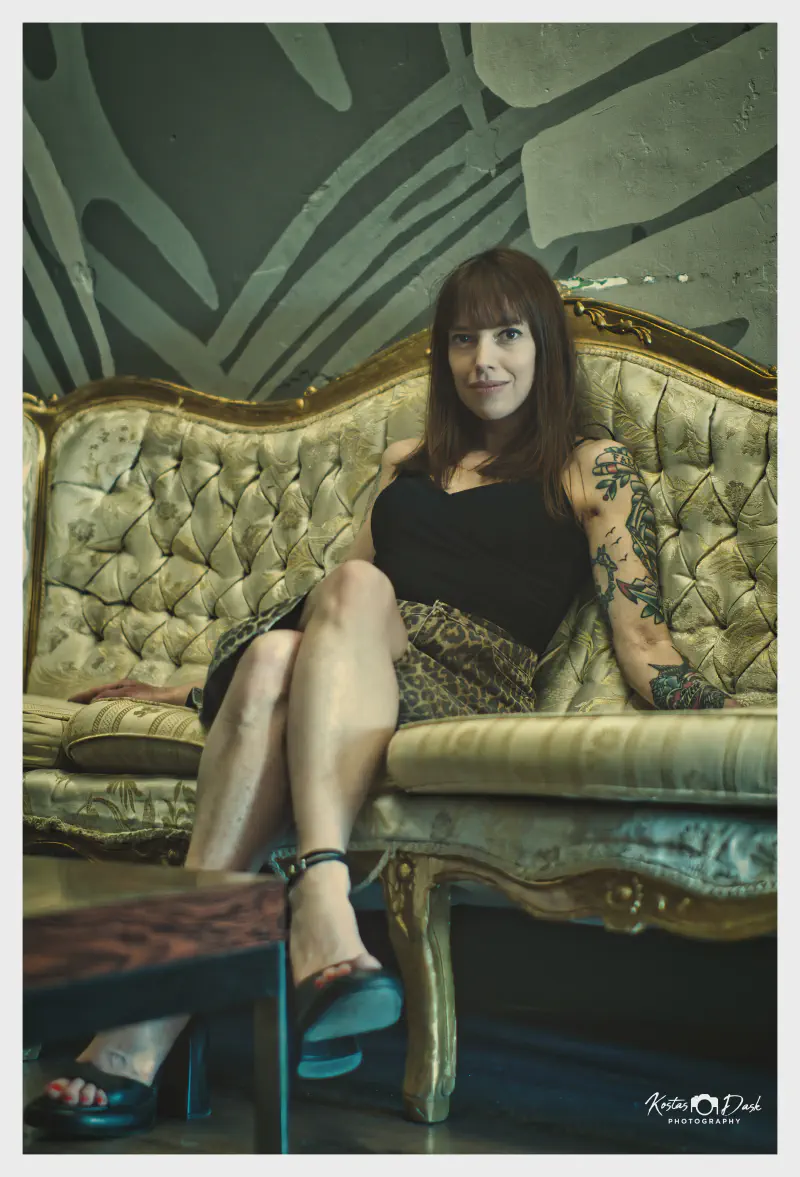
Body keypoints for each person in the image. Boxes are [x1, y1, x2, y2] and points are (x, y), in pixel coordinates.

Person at [25, 247, 738, 1139]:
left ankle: (176, 1001)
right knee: (282, 650)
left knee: (329, 616)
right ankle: (260, 958)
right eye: (463, 340)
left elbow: (645, 643)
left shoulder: (592, 465)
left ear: (544, 346)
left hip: (466, 678)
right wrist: (186, 689)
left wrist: (723, 710)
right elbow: (333, 600)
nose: (483, 360)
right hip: (354, 660)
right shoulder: (409, 461)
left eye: (507, 336)